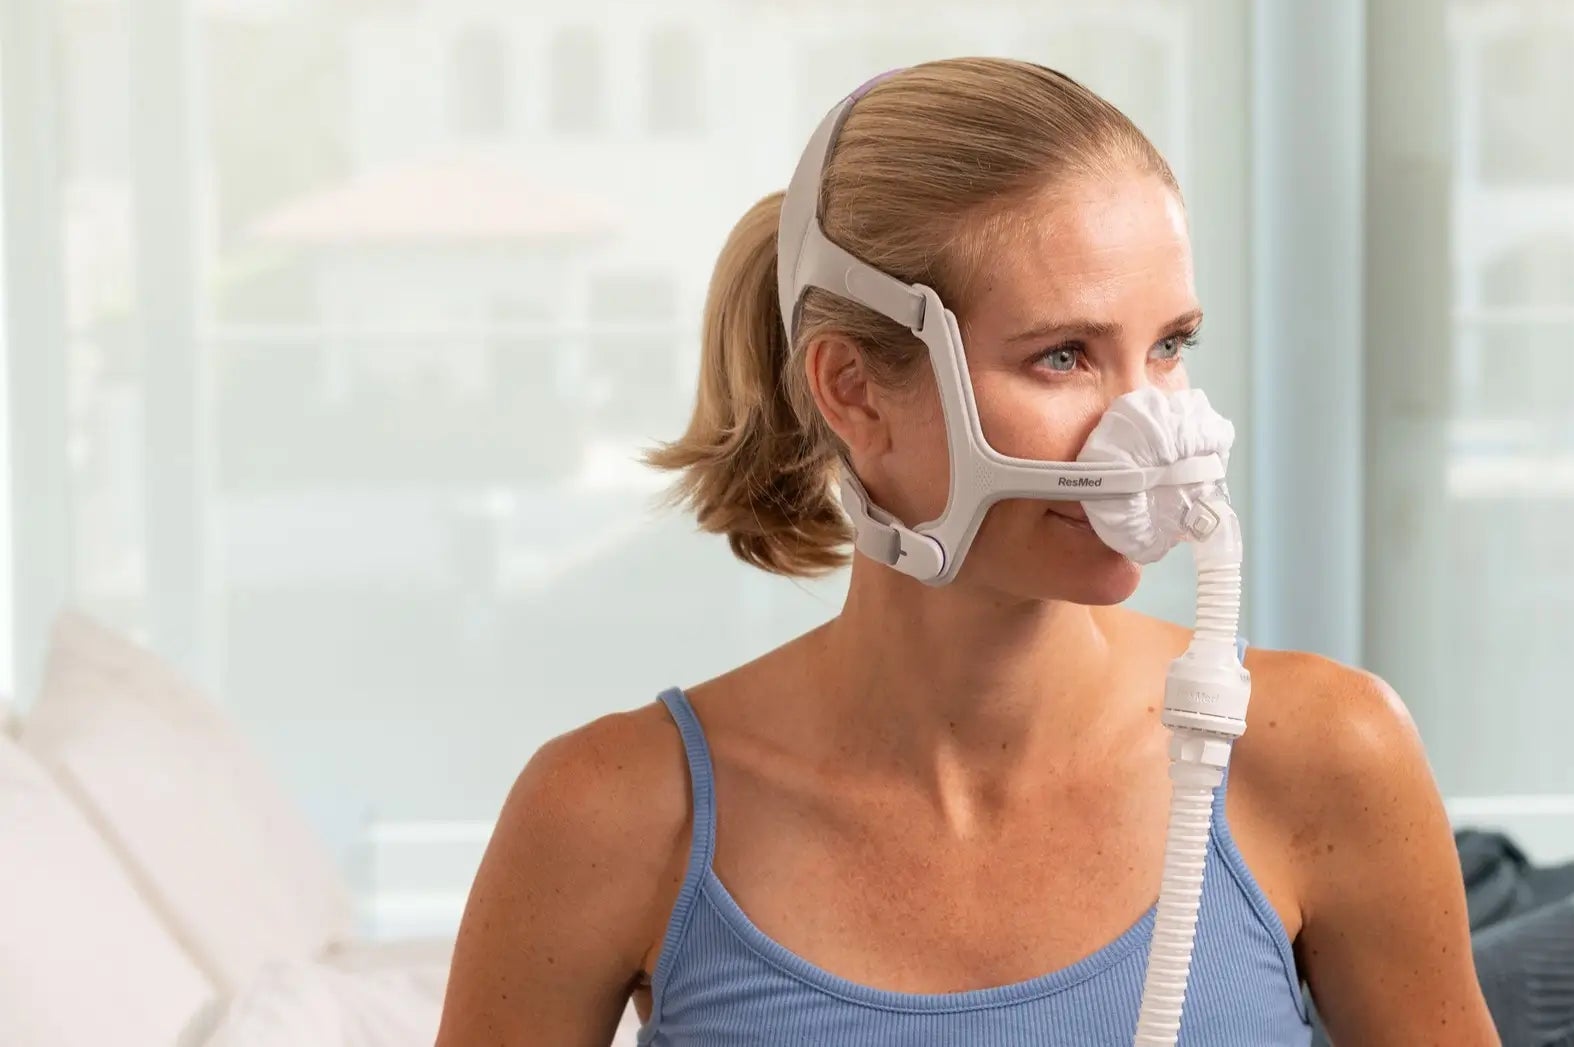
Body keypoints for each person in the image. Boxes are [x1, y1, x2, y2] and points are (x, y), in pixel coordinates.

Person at [435, 58, 1498, 1046]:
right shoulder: (612, 813)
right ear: (852, 389)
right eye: (1063, 357)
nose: (1153, 431)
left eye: (1169, 345)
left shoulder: (1316, 754)